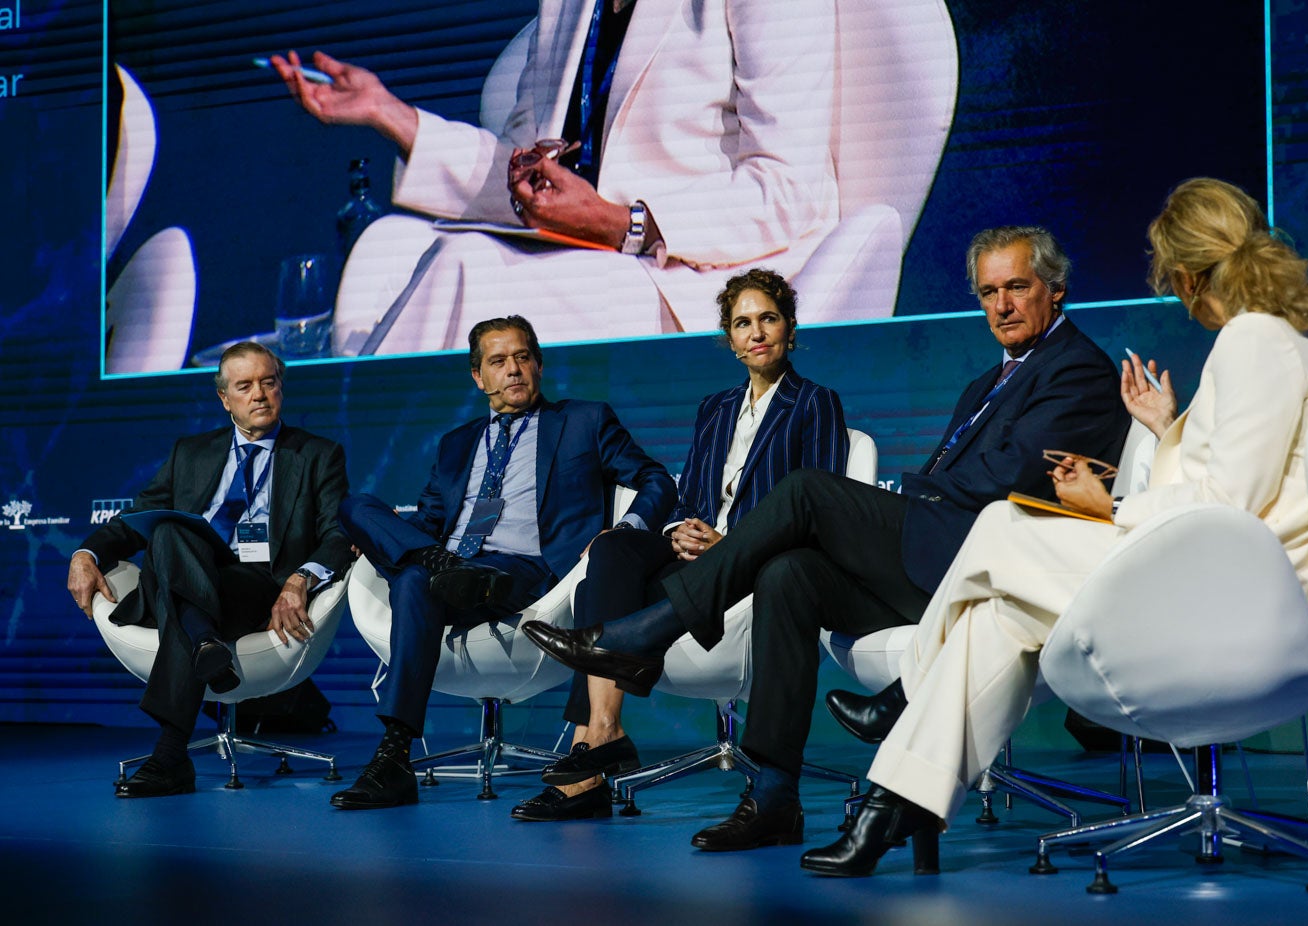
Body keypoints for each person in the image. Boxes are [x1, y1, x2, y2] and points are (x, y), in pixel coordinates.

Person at [799, 177, 1308, 877]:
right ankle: (894, 802)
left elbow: (1227, 506)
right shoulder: (1296, 329)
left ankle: (907, 690)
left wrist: (1110, 507)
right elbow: (1248, 482)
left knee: (1001, 524)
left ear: (1185, 274)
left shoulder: (1253, 338)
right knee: (994, 617)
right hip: (1237, 574)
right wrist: (1166, 429)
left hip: (1241, 595)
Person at [524, 225, 1131, 849]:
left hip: (980, 571)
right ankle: (773, 796)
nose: (1000, 306)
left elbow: (1006, 478)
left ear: (1056, 291)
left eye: (1017, 288)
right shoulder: (988, 382)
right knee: (790, 575)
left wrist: (916, 493)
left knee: (809, 490)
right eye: (987, 292)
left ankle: (650, 632)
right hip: (933, 558)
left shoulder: (1078, 369)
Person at [269, 0, 949, 352]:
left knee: (467, 271)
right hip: (575, 258)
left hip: (697, 278)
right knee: (456, 255)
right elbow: (523, 176)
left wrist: (620, 224)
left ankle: (352, 514)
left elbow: (789, 193)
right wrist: (393, 116)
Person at [510, 268, 849, 822]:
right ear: (730, 338)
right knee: (613, 550)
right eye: (743, 323)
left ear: (790, 327)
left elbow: (820, 505)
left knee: (620, 583)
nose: (757, 332)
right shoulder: (714, 408)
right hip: (689, 558)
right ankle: (605, 728)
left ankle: (586, 760)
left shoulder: (816, 403)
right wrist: (676, 531)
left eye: (768, 318)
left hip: (755, 567)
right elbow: (687, 496)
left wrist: (732, 542)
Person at [330, 315, 676, 810]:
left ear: (538, 365)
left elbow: (655, 479)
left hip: (524, 572)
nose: (513, 369)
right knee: (358, 511)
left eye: (522, 358)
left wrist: (626, 530)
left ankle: (393, 754)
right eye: (498, 361)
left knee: (412, 580)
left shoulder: (583, 420)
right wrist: (404, 543)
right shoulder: (455, 445)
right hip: (449, 563)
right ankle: (395, 756)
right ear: (478, 377)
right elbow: (430, 517)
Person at [67, 342, 354, 797]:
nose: (259, 394)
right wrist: (86, 554)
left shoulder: (318, 454)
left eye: (269, 382)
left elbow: (339, 534)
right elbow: (136, 518)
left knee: (177, 584)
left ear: (281, 387)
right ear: (225, 398)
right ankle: (204, 643)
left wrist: (301, 580)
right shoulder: (191, 452)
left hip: (258, 589)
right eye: (245, 386)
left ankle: (170, 753)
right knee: (166, 532)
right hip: (192, 575)